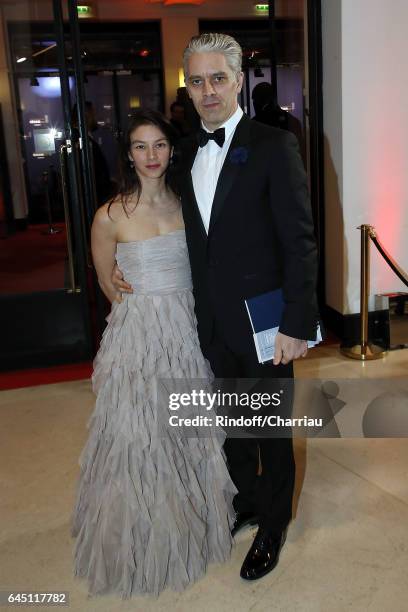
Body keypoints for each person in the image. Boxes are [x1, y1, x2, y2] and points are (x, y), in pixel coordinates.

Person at [112, 33, 319, 582]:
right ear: (188, 85)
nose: (208, 91)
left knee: (270, 426)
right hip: (205, 321)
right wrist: (120, 261)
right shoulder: (180, 151)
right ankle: (246, 502)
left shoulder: (274, 145)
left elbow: (299, 241)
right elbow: (160, 220)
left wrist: (297, 322)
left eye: (218, 79)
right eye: (197, 81)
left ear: (237, 81)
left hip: (264, 321)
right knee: (230, 424)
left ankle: (274, 522)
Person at [71, 109, 236, 598]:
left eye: (159, 145)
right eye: (140, 147)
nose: (151, 156)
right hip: (140, 338)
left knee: (188, 429)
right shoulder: (109, 215)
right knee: (138, 436)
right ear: (128, 154)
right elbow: (108, 284)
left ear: (171, 149)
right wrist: (141, 315)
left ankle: (190, 524)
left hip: (189, 328)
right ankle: (140, 535)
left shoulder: (190, 206)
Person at [72, 101, 113, 206]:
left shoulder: (80, 139)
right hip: (91, 199)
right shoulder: (82, 141)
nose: (95, 117)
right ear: (86, 115)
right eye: (93, 114)